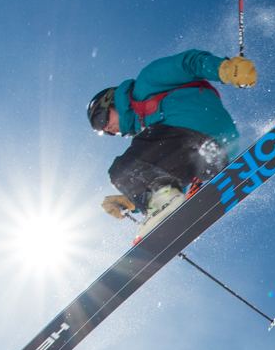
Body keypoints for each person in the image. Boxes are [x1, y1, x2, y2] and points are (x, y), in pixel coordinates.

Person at [87, 49, 257, 225]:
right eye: (103, 130)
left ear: (111, 101)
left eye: (101, 119)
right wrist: (133, 201)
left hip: (194, 128)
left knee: (120, 169)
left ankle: (161, 200)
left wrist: (224, 68)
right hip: (218, 153)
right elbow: (169, 173)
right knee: (137, 170)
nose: (107, 128)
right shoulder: (147, 130)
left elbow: (187, 64)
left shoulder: (145, 84)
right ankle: (159, 208)